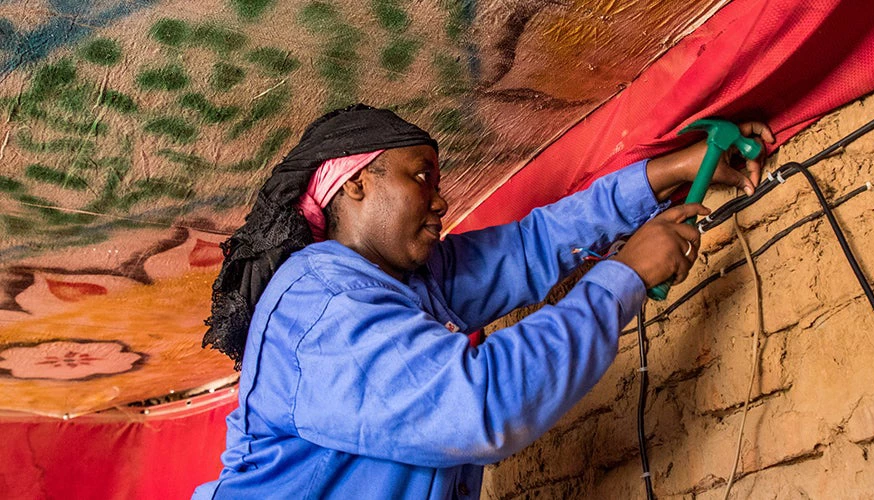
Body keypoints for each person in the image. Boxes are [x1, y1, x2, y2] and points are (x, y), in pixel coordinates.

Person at [193, 104, 773, 499]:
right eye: (421, 177)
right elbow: (480, 405)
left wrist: (666, 171)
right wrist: (625, 275)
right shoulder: (317, 308)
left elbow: (531, 246)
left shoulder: (409, 281)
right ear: (354, 184)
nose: (441, 200)